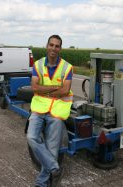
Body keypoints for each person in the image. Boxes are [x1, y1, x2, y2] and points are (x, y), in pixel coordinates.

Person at [27, 35, 73, 187]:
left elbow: (65, 91)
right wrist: (54, 88)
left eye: (57, 46)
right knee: (32, 138)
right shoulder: (38, 65)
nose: (53, 48)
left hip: (57, 110)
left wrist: (44, 91)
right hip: (39, 108)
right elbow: (34, 87)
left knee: (52, 148)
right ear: (47, 46)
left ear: (60, 49)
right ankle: (54, 167)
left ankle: (42, 183)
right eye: (51, 45)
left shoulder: (67, 67)